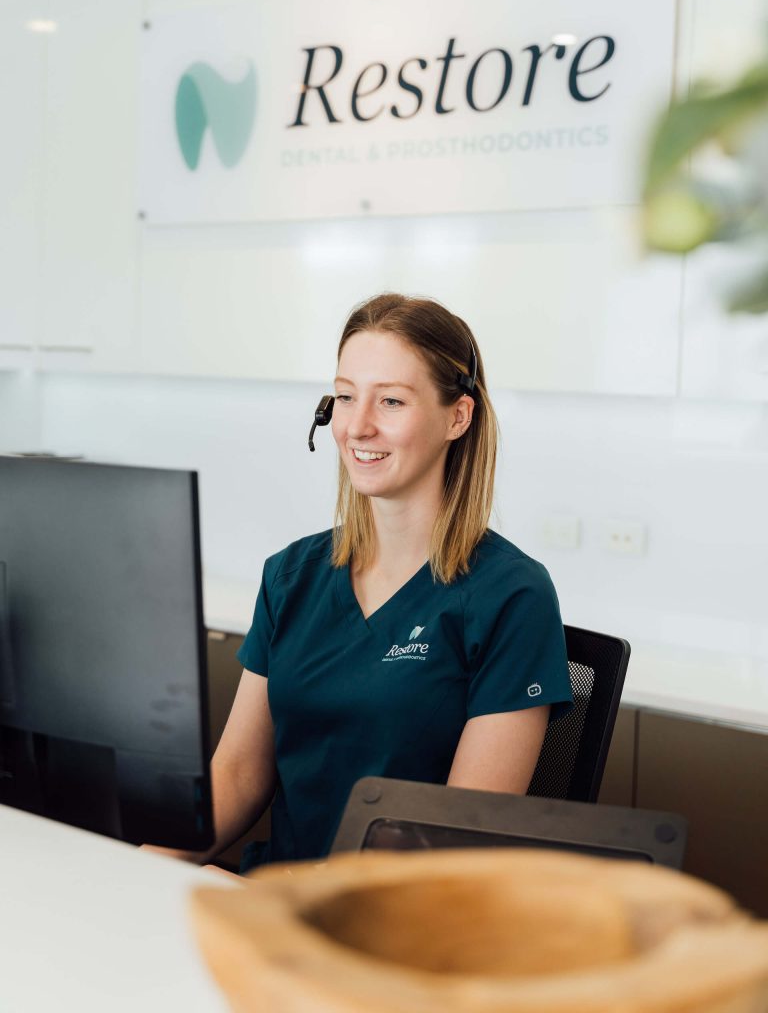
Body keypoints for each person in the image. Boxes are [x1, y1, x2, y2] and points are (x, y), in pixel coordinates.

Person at [160, 292, 572, 870]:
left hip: (393, 925)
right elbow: (238, 774)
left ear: (458, 417)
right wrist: (136, 863)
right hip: (273, 900)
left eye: (392, 401)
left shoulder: (510, 594)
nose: (358, 425)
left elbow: (459, 833)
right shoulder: (291, 577)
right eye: (346, 396)